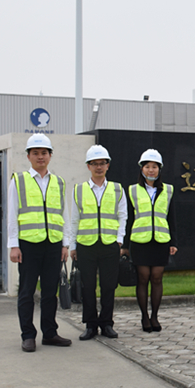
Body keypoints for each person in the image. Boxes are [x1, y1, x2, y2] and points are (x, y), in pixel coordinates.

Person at [7, 133, 72, 352]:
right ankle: (28, 335)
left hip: (53, 243)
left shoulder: (59, 182)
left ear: (50, 155)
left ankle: (50, 333)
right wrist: (13, 245)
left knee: (50, 292)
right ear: (28, 156)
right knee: (26, 292)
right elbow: (12, 214)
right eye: (35, 153)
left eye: (44, 153)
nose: (40, 157)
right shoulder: (19, 180)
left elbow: (63, 214)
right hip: (28, 244)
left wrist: (65, 244)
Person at [66, 145, 127, 341]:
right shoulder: (79, 190)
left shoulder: (117, 189)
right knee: (88, 286)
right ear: (88, 166)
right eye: (94, 164)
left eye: (102, 163)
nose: (98, 167)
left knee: (109, 286)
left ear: (108, 165)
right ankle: (90, 325)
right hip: (86, 245)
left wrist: (119, 240)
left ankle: (107, 323)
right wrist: (73, 246)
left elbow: (122, 216)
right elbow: (74, 219)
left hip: (110, 245)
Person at [122, 149, 177, 332]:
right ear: (141, 169)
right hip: (140, 241)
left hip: (161, 240)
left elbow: (172, 217)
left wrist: (173, 242)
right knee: (143, 278)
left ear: (159, 169)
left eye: (154, 167)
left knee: (157, 278)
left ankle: (155, 316)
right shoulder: (132, 190)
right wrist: (125, 245)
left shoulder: (168, 190)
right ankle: (144, 317)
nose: (151, 170)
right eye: (147, 166)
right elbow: (129, 218)